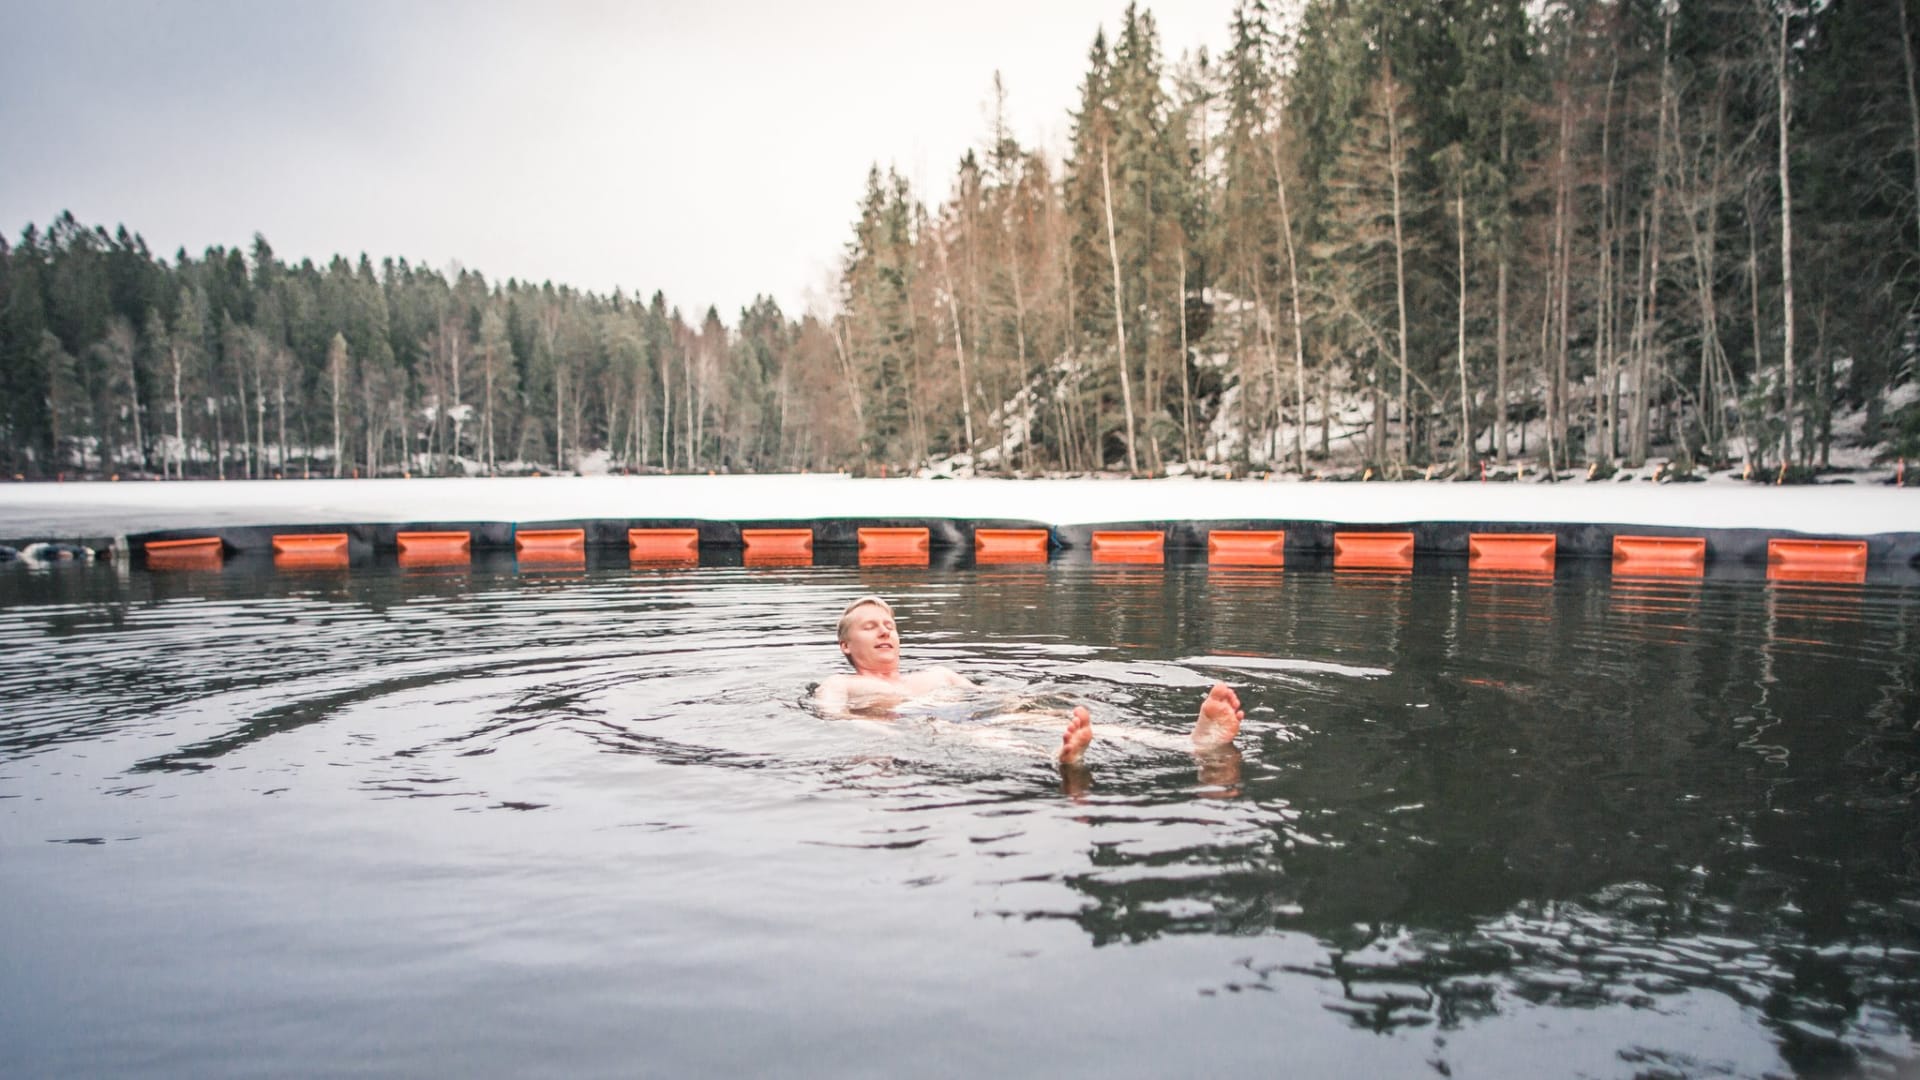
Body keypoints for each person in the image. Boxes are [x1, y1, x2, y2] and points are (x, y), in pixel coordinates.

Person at [814, 595, 1245, 765]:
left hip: (974, 715)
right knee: (970, 736)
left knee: (1069, 722)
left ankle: (1190, 743)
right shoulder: (841, 684)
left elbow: (995, 698)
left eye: (889, 625)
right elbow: (833, 717)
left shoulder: (937, 675)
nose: (885, 631)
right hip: (917, 725)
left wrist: (1039, 705)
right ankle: (1054, 759)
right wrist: (883, 733)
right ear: (846, 645)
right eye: (870, 626)